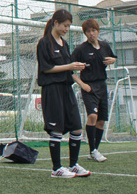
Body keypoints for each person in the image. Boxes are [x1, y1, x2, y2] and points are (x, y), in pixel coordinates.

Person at [36, 9, 91, 178]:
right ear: (56, 23)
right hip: (52, 90)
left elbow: (69, 69)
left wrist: (78, 74)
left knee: (77, 127)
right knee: (56, 129)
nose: (67, 29)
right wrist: (69, 66)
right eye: (65, 26)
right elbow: (46, 69)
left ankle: (73, 165)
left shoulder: (65, 44)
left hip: (66, 89)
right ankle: (56, 169)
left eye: (69, 26)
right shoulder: (44, 43)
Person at [71, 18, 117, 162]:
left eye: (93, 30)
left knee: (101, 121)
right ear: (85, 33)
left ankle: (94, 151)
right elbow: (69, 70)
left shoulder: (105, 46)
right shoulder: (80, 49)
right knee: (92, 116)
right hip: (89, 87)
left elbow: (113, 57)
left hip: (102, 86)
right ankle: (92, 150)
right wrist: (82, 84)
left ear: (98, 31)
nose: (91, 33)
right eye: (88, 31)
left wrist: (113, 60)